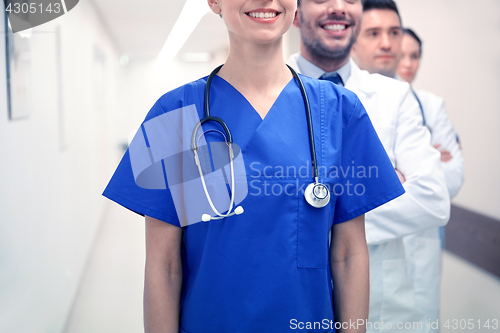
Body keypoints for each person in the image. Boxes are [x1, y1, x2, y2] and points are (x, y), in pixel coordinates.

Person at [103, 0, 406, 332]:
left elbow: (349, 255)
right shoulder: (174, 112)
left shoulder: (338, 111)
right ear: (214, 2)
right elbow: (164, 265)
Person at [288, 0, 450, 332]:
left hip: (384, 312)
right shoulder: (268, 92)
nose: (338, 8)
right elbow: (264, 205)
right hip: (293, 303)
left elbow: (432, 199)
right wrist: (379, 188)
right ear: (294, 12)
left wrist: (313, 212)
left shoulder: (395, 96)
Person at [396, 27, 465, 332]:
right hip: (374, 241)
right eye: (403, 54)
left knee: (423, 317)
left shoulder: (431, 105)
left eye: (416, 56)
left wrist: (402, 171)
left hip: (423, 242)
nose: (409, 63)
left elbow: (452, 180)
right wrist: (428, 161)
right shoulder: (365, 99)